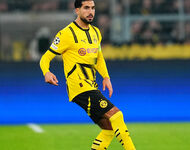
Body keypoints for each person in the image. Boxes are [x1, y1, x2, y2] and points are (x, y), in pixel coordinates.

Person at [39, 0, 136, 149]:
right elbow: (45, 57)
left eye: (93, 8)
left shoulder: (96, 32)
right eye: (86, 8)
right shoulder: (66, 33)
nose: (90, 11)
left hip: (91, 85)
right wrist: (47, 72)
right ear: (77, 10)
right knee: (117, 115)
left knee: (108, 128)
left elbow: (99, 57)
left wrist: (106, 77)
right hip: (79, 87)